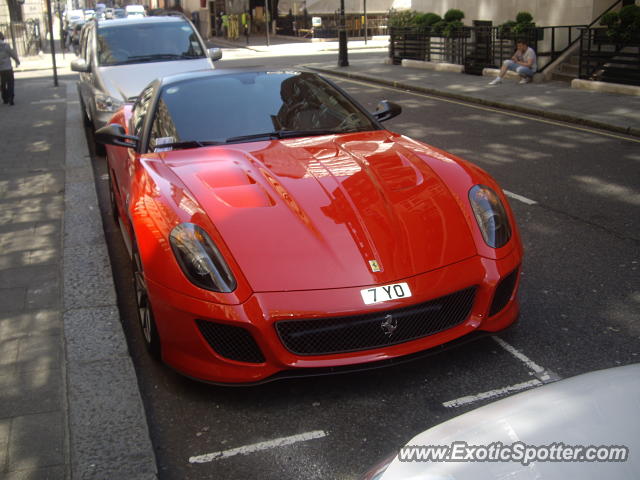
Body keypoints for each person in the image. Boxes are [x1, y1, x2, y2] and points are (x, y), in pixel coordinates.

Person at [0, 32, 20, 105]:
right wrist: (17, 61)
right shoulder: (6, 46)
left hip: (0, 69)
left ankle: (5, 98)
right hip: (8, 67)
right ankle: (11, 97)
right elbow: (12, 54)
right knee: (10, 83)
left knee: (2, 83)